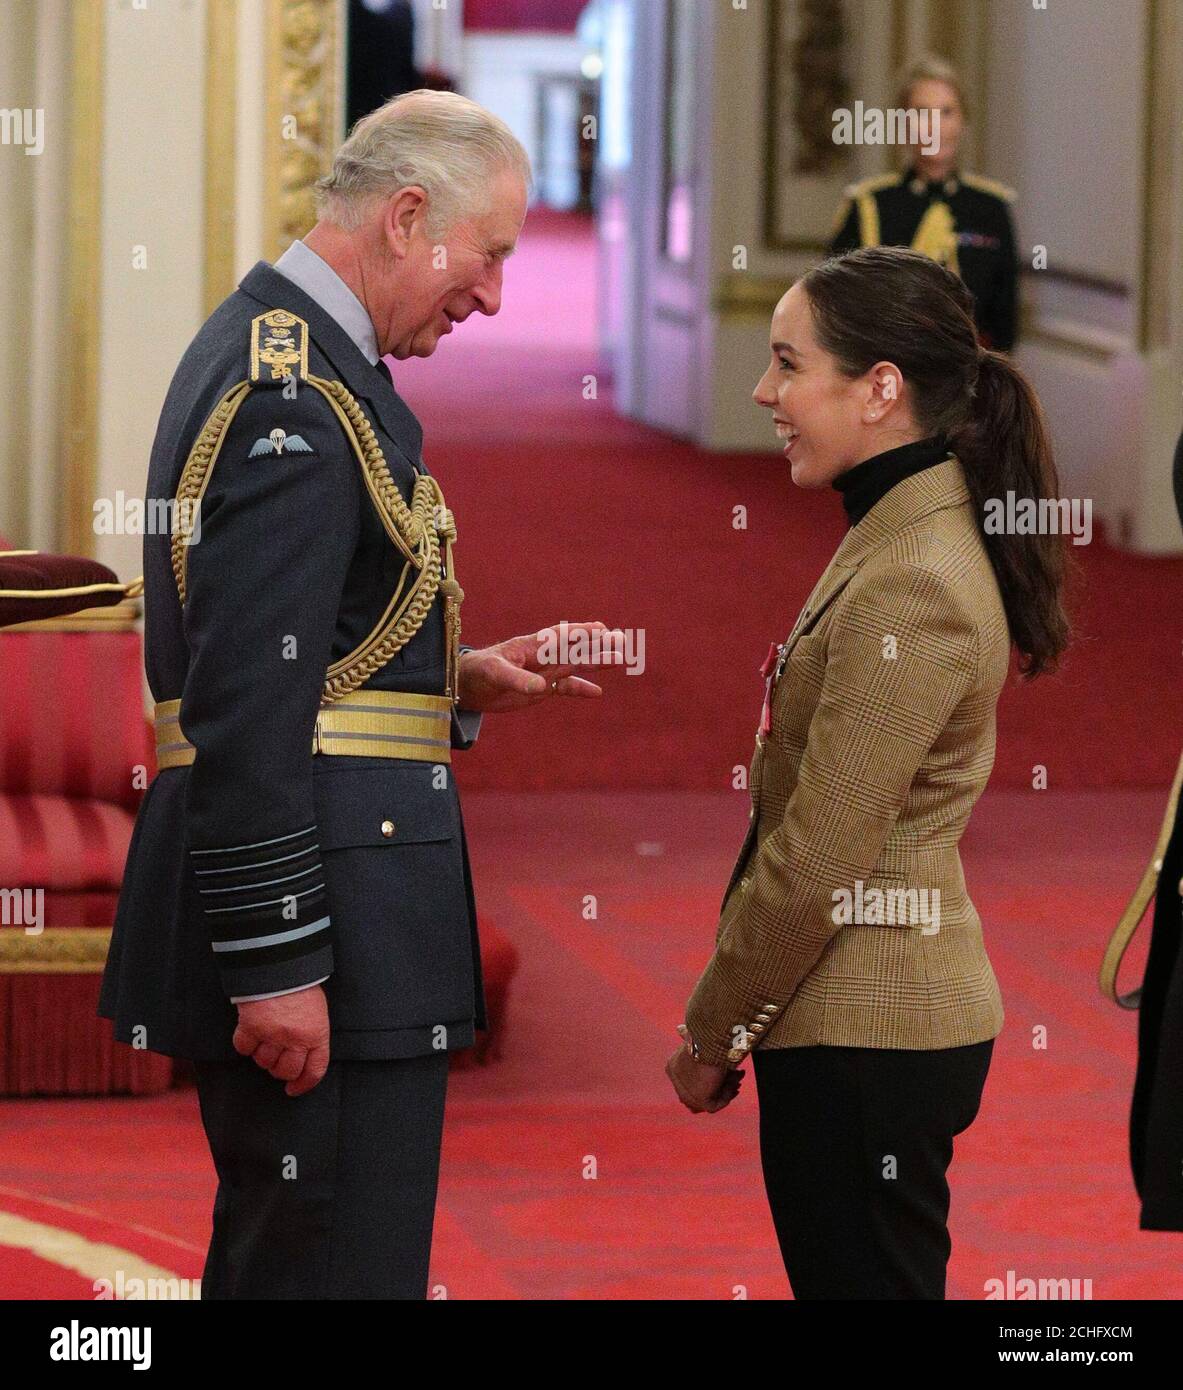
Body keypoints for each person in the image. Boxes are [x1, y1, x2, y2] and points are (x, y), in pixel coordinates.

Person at [99, 90, 615, 1300]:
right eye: (489, 256)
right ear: (406, 216)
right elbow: (241, 701)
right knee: (329, 1273)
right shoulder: (296, 394)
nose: (491, 295)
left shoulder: (298, 359)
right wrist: (278, 963)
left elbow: (301, 660)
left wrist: (453, 684)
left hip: (349, 901)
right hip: (328, 924)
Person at [667, 245, 1070, 1299]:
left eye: (789, 364)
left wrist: (714, 1028)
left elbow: (821, 853)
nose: (765, 393)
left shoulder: (913, 578)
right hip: (862, 1027)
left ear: (881, 388)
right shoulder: (898, 534)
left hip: (866, 1031)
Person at [830, 56, 1019, 352]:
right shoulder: (870, 205)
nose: (934, 126)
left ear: (964, 121)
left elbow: (1004, 326)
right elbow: (839, 311)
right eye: (921, 112)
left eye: (947, 112)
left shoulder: (991, 207)